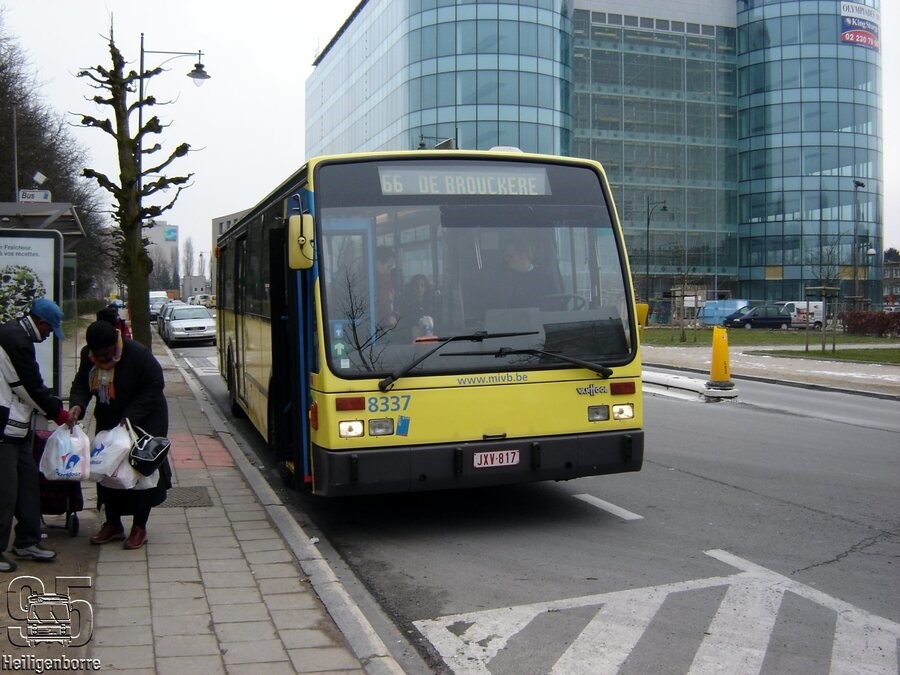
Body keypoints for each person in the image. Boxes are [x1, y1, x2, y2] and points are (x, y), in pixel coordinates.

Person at [67, 320, 169, 550]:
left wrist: (131, 416)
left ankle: (139, 527)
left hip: (144, 418)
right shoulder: (88, 355)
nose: (102, 359)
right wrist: (77, 405)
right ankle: (112, 523)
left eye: (106, 354)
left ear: (115, 344)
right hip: (110, 417)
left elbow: (155, 386)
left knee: (139, 471)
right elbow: (81, 384)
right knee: (105, 469)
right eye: (97, 355)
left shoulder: (138, 354)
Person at [0, 298, 70, 572]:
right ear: (40, 323)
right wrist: (58, 413)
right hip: (4, 430)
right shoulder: (16, 340)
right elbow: (28, 386)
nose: (50, 334)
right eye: (49, 328)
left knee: (28, 485)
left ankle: (27, 540)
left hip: (18, 428)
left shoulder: (17, 334)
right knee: (5, 492)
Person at [398, 274, 437, 339]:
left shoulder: (431, 304)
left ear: (426, 287)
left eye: (422, 285)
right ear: (412, 287)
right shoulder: (406, 304)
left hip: (430, 339)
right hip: (410, 339)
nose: (419, 288)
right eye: (417, 285)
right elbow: (403, 324)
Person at [374, 246, 399, 327]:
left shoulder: (386, 281)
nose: (389, 271)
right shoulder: (375, 283)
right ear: (378, 263)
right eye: (388, 267)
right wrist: (387, 320)